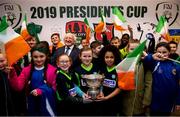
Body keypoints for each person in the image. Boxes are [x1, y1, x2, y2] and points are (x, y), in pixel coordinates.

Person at [7, 43, 57, 116]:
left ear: (46, 56)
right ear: (32, 57)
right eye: (35, 57)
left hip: (47, 104)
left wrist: (40, 91)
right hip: (32, 104)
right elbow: (18, 87)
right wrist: (12, 73)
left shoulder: (52, 70)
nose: (38, 59)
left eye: (41, 56)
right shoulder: (26, 70)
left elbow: (53, 88)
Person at [144, 42, 180, 116]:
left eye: (164, 52)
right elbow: (146, 61)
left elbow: (178, 85)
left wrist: (178, 101)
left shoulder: (175, 66)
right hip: (155, 101)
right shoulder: (154, 63)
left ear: (169, 52)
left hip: (169, 101)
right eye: (159, 52)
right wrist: (152, 57)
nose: (161, 54)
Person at [120, 39, 152, 116]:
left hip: (139, 101)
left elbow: (149, 83)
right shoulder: (124, 63)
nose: (134, 51)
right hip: (125, 101)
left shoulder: (145, 64)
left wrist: (146, 100)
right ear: (127, 50)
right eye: (132, 49)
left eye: (137, 49)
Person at [74, 47, 100, 115]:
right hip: (83, 98)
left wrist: (100, 92)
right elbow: (75, 85)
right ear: (80, 57)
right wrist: (82, 94)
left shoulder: (97, 68)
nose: (87, 58)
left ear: (92, 56)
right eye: (84, 56)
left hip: (96, 98)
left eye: (89, 56)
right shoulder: (76, 70)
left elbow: (101, 82)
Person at [97, 45, 121, 116]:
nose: (109, 59)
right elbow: (100, 83)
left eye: (111, 57)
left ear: (115, 57)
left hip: (114, 102)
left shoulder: (119, 70)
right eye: (106, 57)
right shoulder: (102, 69)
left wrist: (107, 97)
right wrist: (101, 92)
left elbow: (119, 88)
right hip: (102, 100)